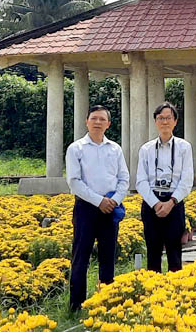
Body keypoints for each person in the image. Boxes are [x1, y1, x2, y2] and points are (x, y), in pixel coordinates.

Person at [65, 105, 129, 312]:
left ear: (108, 124)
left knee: (108, 257)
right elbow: (74, 182)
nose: (98, 122)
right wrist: (98, 201)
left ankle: (106, 302)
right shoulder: (76, 148)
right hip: (86, 208)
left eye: (102, 119)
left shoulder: (115, 149)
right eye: (94, 118)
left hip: (111, 207)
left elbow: (124, 178)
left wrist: (115, 200)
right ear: (86, 121)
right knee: (80, 257)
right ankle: (77, 305)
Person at [136, 101, 193, 273]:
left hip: (174, 203)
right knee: (153, 253)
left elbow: (187, 179)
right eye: (161, 118)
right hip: (151, 203)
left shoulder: (184, 147)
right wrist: (155, 203)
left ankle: (174, 295)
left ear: (175, 121)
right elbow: (140, 180)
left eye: (168, 118)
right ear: (155, 121)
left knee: (175, 253)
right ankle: (153, 292)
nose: (165, 122)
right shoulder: (146, 149)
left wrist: (171, 202)